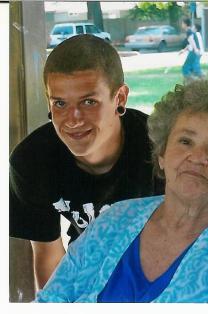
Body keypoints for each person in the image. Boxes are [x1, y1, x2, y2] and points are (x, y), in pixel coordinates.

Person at [35, 74, 208, 303]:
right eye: (185, 141)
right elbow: (50, 299)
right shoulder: (116, 219)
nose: (197, 157)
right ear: (162, 154)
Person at [9, 34, 164, 290]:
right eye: (60, 103)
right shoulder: (31, 160)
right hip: (88, 276)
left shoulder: (162, 148)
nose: (73, 119)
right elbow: (49, 257)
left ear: (120, 98)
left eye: (89, 102)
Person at [179, 18, 201, 83]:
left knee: (185, 68)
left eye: (182, 23)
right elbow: (189, 44)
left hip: (193, 52)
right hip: (193, 51)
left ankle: (194, 82)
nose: (182, 25)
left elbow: (192, 41)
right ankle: (193, 82)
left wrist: (195, 49)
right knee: (191, 69)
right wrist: (183, 50)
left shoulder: (189, 31)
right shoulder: (189, 31)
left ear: (185, 24)